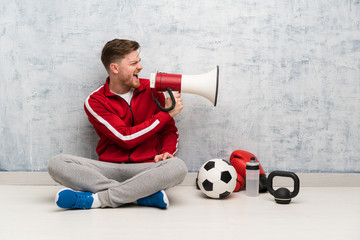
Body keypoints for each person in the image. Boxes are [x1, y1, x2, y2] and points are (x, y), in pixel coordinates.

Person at [47, 39, 188, 210]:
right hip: (107, 169)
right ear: (115, 68)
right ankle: (140, 195)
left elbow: (169, 130)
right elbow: (125, 137)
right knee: (57, 163)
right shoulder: (95, 101)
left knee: (177, 167)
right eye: (133, 63)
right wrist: (165, 114)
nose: (140, 67)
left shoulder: (151, 90)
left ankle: (98, 199)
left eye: (139, 61)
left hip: (147, 168)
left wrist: (166, 152)